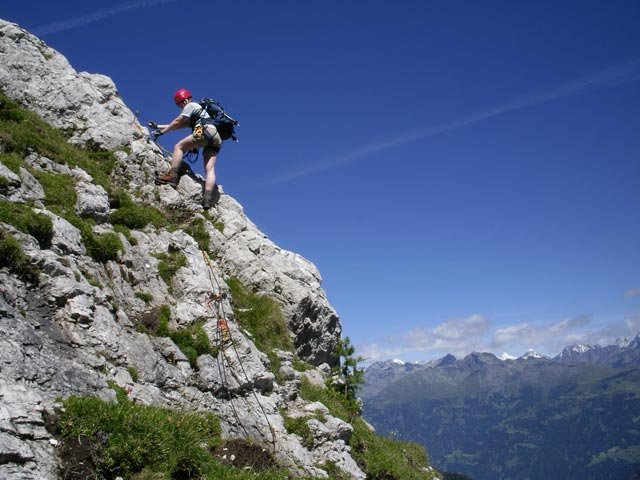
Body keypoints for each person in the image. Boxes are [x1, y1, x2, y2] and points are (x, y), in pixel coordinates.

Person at [152, 88, 221, 209]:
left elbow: (177, 121)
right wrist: (158, 126)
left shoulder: (191, 105)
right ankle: (207, 199)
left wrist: (162, 132)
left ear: (182, 101)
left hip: (204, 131)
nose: (181, 107)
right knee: (209, 169)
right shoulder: (199, 112)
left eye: (179, 104)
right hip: (215, 137)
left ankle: (172, 175)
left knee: (179, 147)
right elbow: (178, 126)